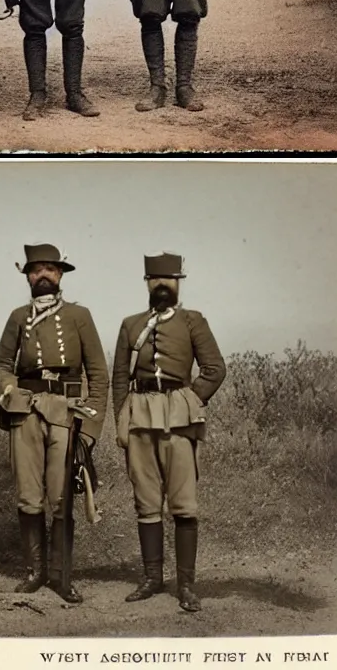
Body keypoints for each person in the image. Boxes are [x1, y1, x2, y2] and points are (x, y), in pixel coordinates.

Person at [0, 244, 109, 602]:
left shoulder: (79, 315)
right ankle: (35, 571)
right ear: (28, 276)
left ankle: (61, 576)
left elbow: (99, 375)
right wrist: (10, 392)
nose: (42, 275)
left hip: (66, 414)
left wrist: (88, 431)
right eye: (35, 270)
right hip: (25, 413)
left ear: (60, 276)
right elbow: (0, 365)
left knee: (61, 499)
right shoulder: (17, 317)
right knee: (28, 496)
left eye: (49, 270)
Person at [110, 253, 226, 613]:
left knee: (183, 503)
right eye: (155, 279)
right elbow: (119, 378)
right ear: (146, 282)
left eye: (169, 279)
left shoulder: (193, 321)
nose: (162, 285)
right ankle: (151, 579)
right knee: (146, 500)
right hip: (140, 414)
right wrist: (122, 417)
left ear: (178, 282)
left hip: (177, 416)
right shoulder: (131, 324)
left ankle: (186, 585)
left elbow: (215, 368)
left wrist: (191, 399)